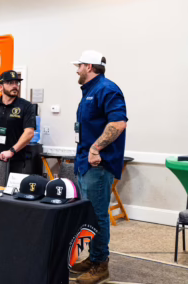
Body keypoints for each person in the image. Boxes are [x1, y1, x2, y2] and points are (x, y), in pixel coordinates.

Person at [70, 50, 128, 284]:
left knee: (98, 216)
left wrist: (95, 149)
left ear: (90, 67)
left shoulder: (107, 89)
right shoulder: (89, 92)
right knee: (89, 215)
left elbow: (118, 123)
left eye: (79, 66)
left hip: (98, 164)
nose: (77, 70)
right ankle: (94, 257)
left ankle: (101, 264)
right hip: (85, 163)